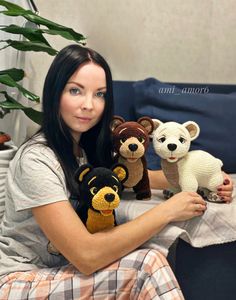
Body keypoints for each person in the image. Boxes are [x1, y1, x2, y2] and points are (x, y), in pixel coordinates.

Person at [0, 44, 232, 299]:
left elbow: (146, 178)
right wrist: (167, 211)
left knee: (148, 255)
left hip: (61, 272)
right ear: (55, 93)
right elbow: (86, 256)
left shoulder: (86, 150)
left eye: (99, 94)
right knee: (146, 265)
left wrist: (210, 181)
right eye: (75, 90)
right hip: (19, 280)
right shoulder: (36, 159)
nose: (89, 105)